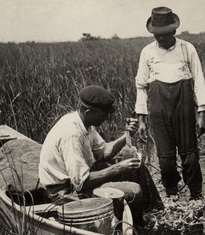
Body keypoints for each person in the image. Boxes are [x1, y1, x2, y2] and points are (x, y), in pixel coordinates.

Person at [39, 85, 163, 224]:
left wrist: (127, 134)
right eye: (103, 114)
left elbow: (104, 152)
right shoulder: (72, 135)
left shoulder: (85, 124)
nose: (106, 117)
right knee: (133, 192)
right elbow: (82, 183)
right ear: (87, 111)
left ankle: (155, 211)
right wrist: (119, 168)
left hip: (78, 180)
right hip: (64, 193)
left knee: (132, 160)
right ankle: (140, 228)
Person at [135, 6, 205, 200]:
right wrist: (141, 120)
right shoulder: (147, 52)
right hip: (158, 108)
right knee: (165, 160)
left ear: (173, 31)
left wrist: (202, 113)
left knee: (190, 156)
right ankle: (172, 195)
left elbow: (199, 80)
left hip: (183, 106)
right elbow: (141, 86)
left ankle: (196, 195)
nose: (160, 38)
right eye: (157, 35)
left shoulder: (187, 48)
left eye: (165, 34)